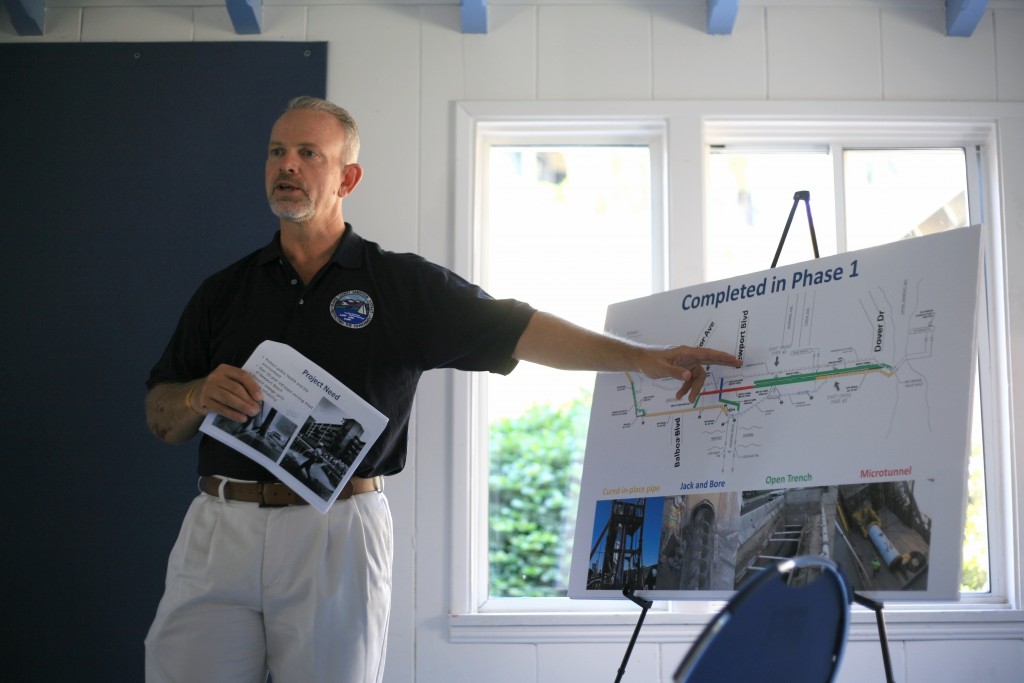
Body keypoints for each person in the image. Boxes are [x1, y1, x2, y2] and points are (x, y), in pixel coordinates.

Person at [143, 95, 742, 683]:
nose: (288, 165)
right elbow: (160, 414)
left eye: (308, 153)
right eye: (277, 152)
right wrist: (197, 396)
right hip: (220, 527)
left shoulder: (402, 285)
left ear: (347, 176)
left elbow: (520, 328)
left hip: (336, 532)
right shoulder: (222, 292)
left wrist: (641, 359)